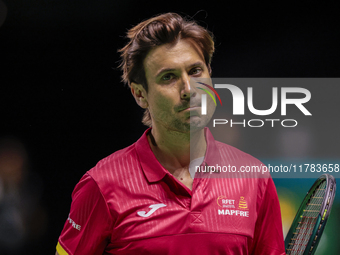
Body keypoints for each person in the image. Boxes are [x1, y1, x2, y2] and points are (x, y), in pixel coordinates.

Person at [56, 12, 285, 255]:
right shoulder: (102, 185)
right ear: (140, 94)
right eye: (169, 77)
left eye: (196, 71)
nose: (188, 89)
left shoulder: (255, 179)